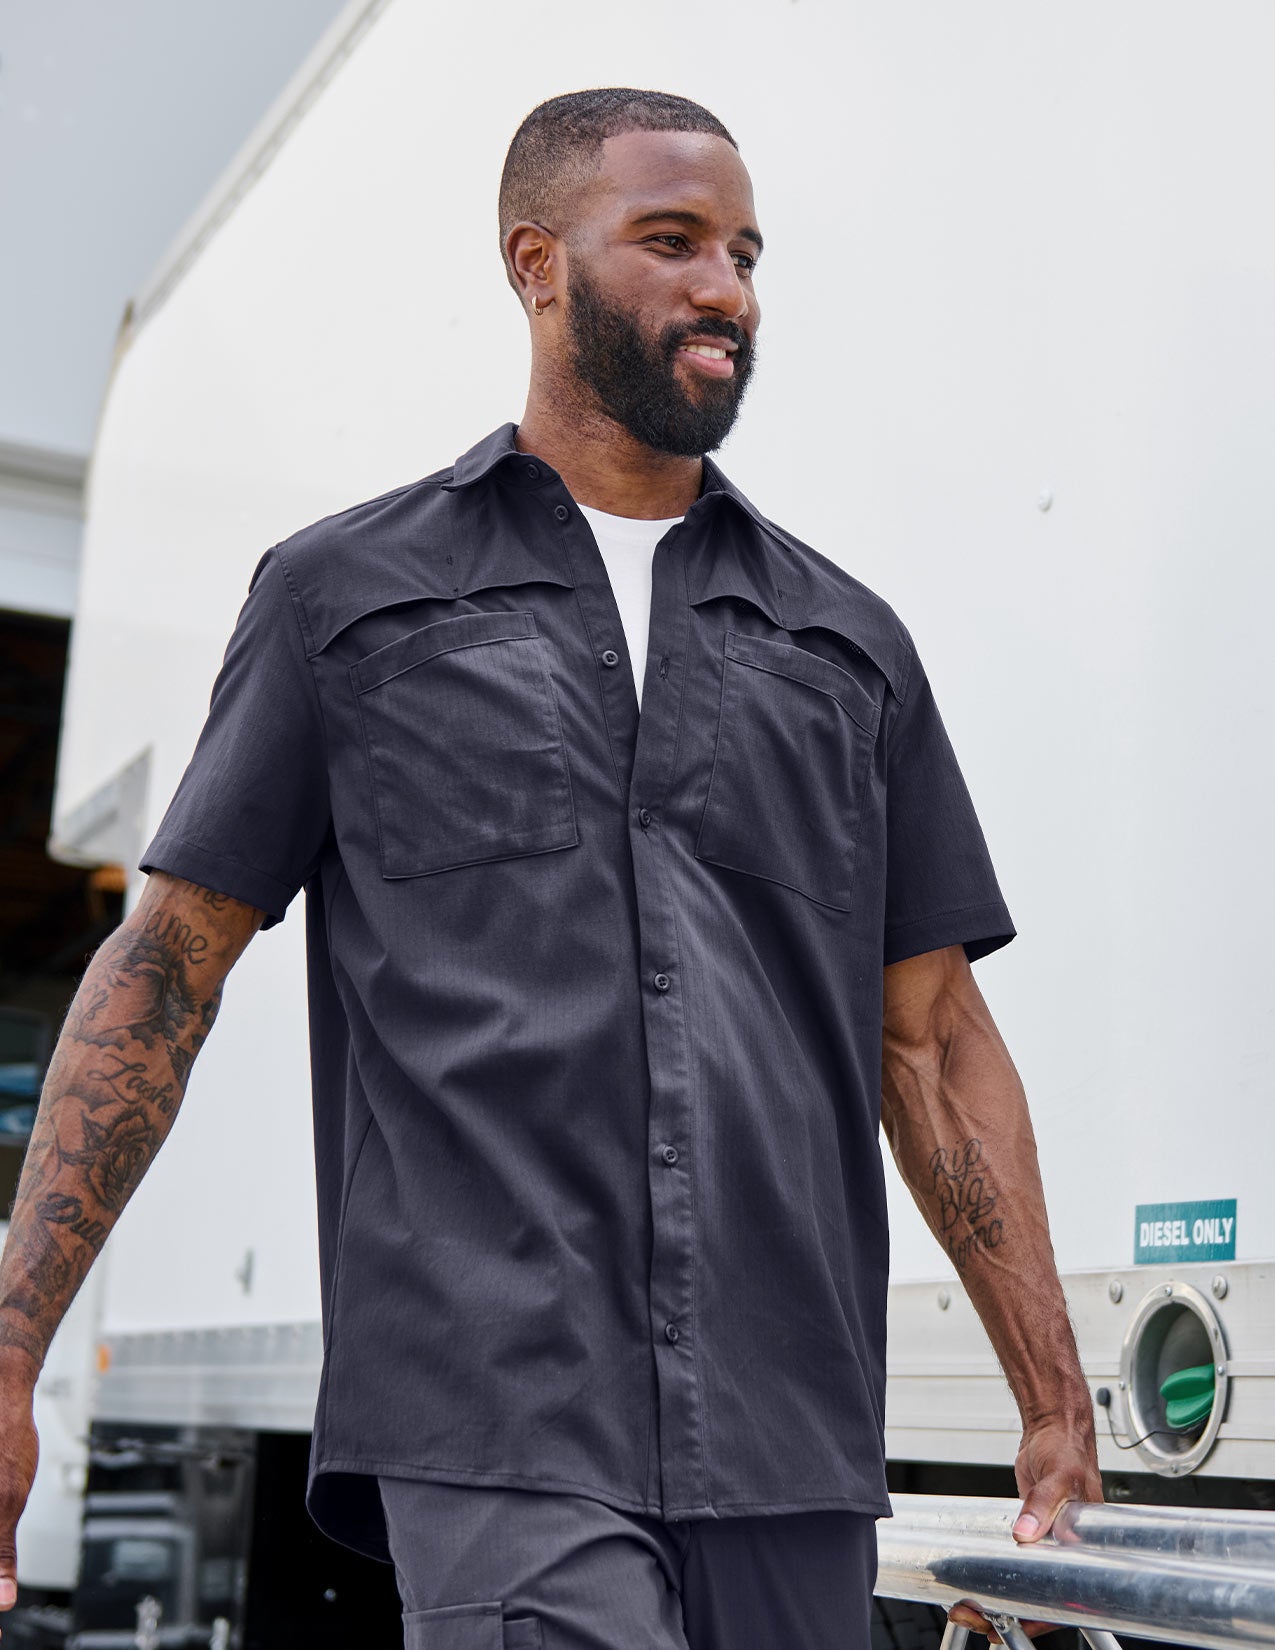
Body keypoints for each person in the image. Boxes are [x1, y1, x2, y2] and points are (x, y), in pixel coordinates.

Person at [0, 89, 1101, 1648]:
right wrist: (12, 1347)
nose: (726, 287)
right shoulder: (346, 601)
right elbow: (166, 975)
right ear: (536, 262)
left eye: (744, 252)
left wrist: (1056, 1398)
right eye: (672, 241)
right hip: (496, 1415)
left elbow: (925, 1039)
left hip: (790, 1428)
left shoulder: (846, 649)